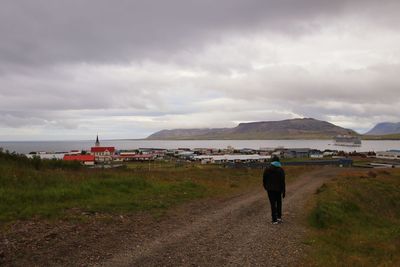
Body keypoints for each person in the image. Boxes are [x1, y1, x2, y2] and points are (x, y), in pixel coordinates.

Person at [263, 155, 286, 224]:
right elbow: (283, 181)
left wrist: (266, 187)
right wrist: (284, 191)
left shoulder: (267, 169)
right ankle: (279, 218)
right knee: (279, 203)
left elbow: (264, 179)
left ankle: (274, 220)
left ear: (272, 161)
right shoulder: (281, 170)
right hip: (278, 189)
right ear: (278, 161)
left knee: (272, 204)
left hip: (270, 190)